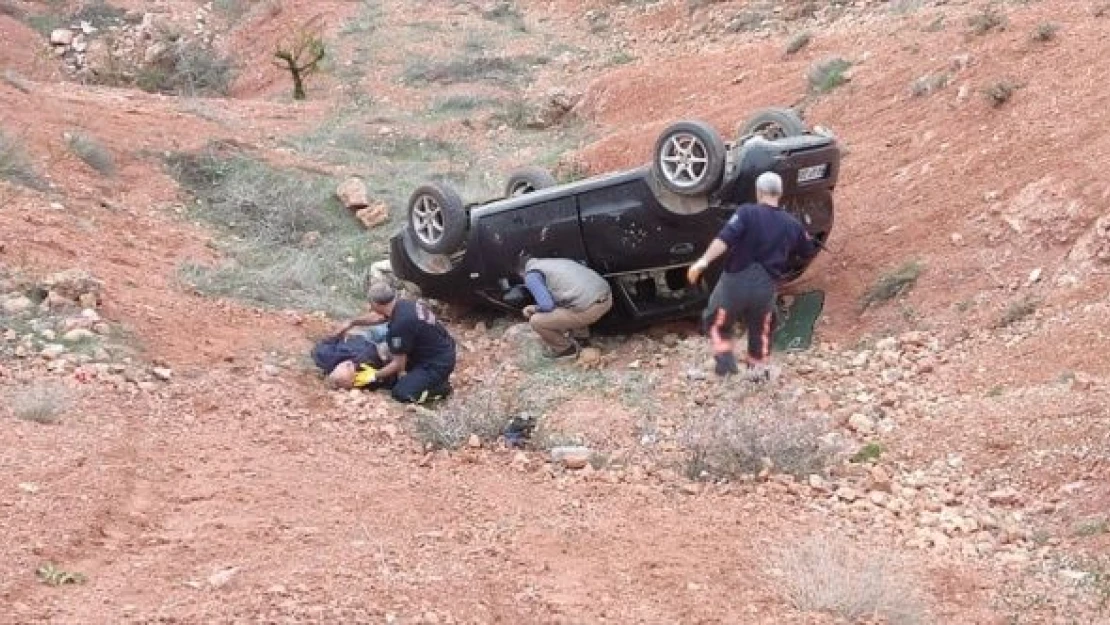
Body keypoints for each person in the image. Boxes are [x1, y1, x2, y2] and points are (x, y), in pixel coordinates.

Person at [686, 171, 818, 380]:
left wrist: (703, 261)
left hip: (734, 283)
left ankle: (726, 367)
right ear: (780, 192)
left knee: (716, 321)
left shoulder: (746, 213)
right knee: (763, 326)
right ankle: (757, 370)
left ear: (759, 192)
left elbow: (725, 239)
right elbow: (807, 251)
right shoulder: (791, 223)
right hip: (766, 287)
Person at [327, 282, 457, 403]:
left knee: (401, 392)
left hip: (437, 363)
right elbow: (378, 317)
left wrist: (374, 375)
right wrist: (352, 322)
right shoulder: (402, 305)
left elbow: (397, 364)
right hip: (438, 347)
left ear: (376, 304)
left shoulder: (400, 325)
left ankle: (440, 389)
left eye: (370, 304)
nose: (369, 307)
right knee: (393, 363)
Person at [517, 254, 613, 358]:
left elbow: (547, 305)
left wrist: (534, 308)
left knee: (536, 321)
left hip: (590, 308)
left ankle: (566, 349)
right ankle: (581, 339)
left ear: (520, 272)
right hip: (607, 297)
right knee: (570, 301)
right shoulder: (555, 262)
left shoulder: (531, 275)